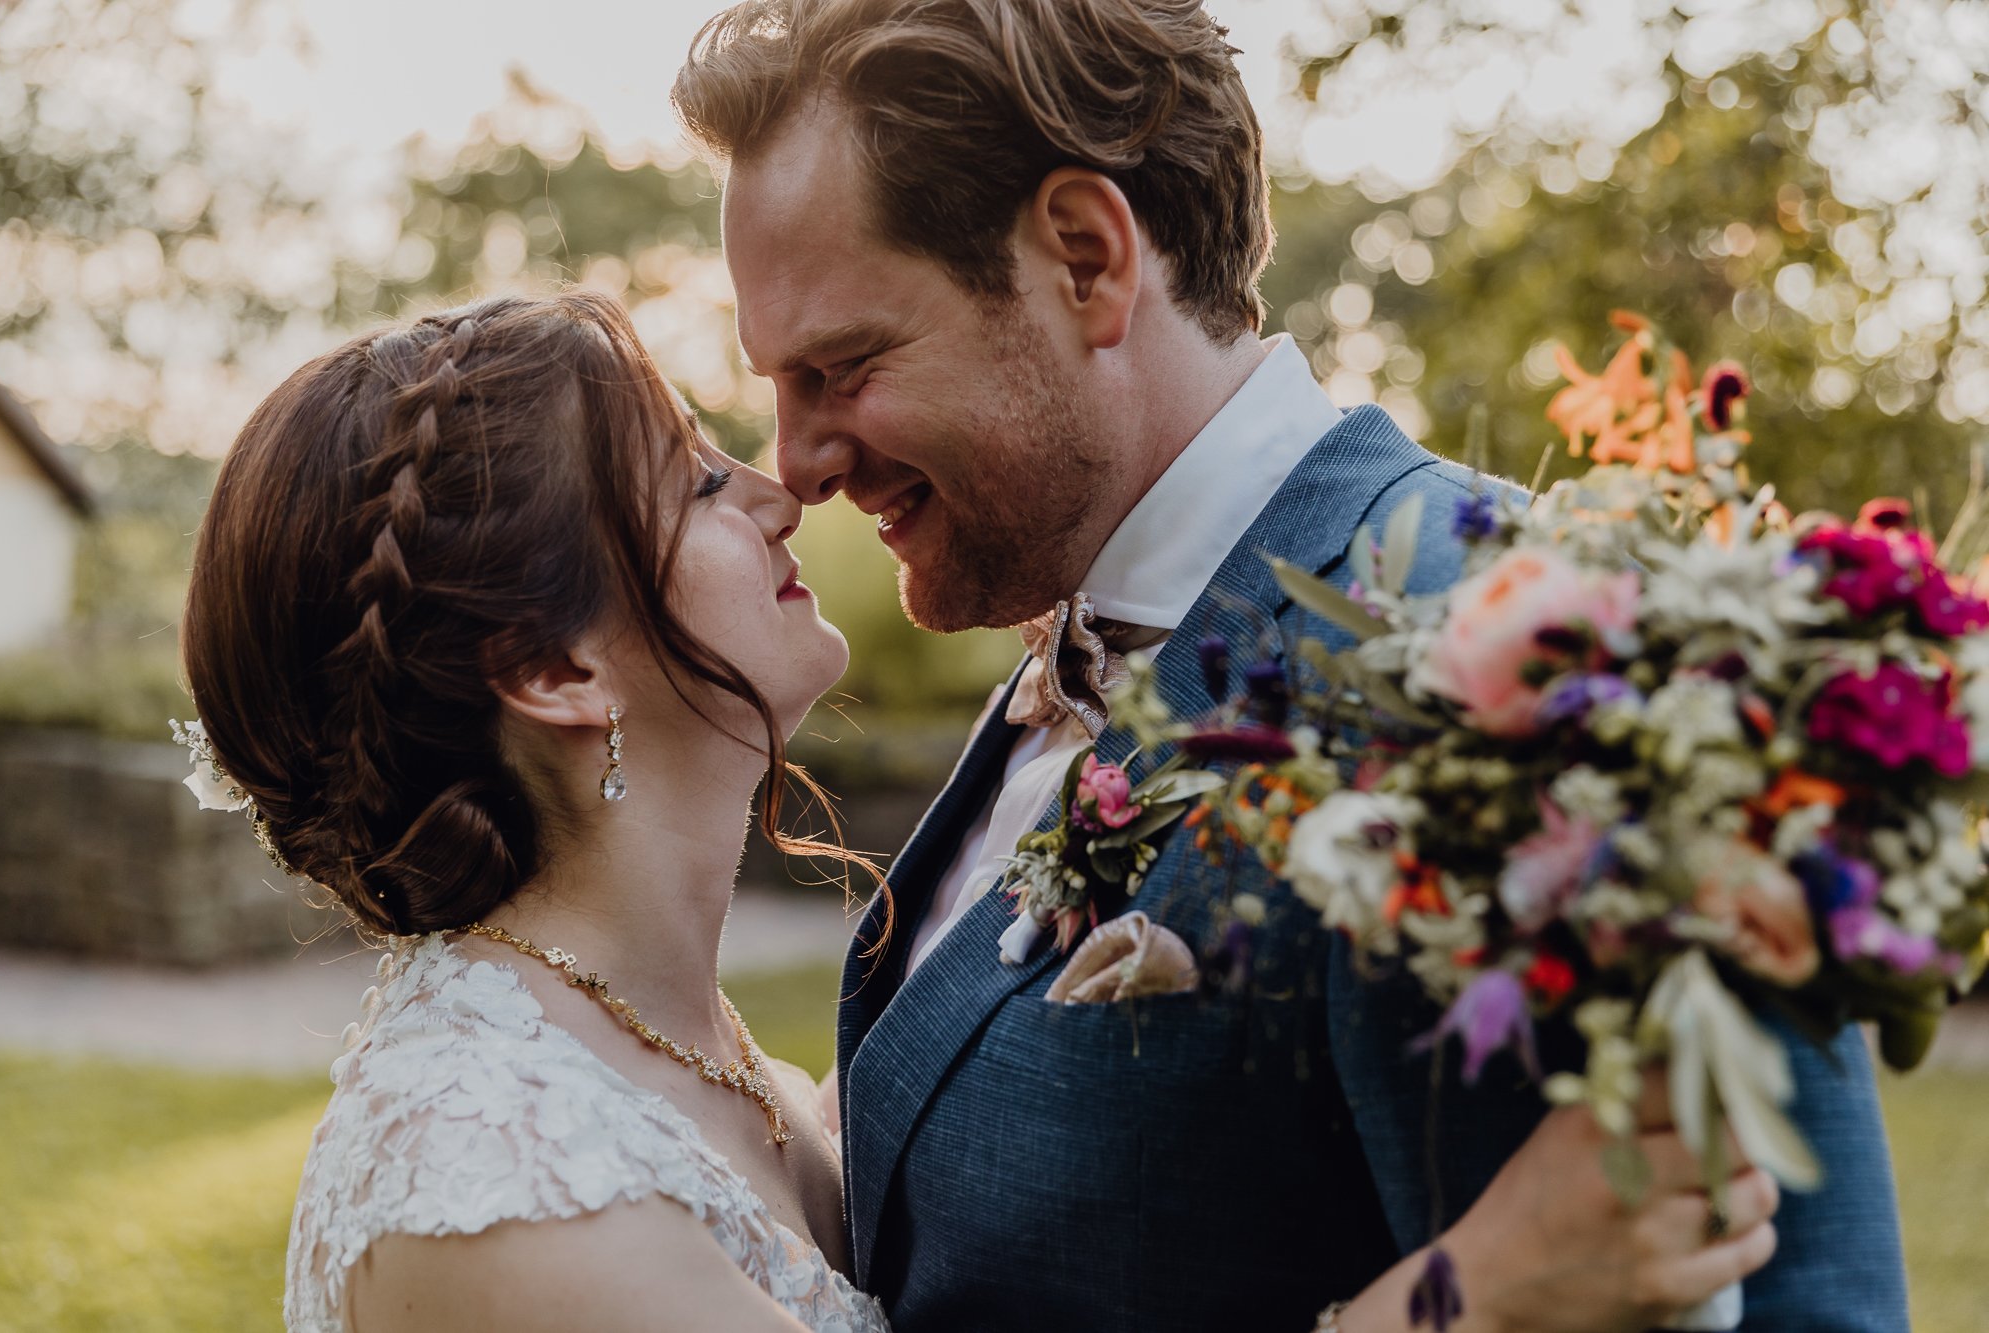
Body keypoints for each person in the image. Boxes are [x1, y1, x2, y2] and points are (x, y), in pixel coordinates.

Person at [672, 1, 1910, 1330]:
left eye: (843, 365)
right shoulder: (1074, 622)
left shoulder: (1521, 660)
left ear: (1086, 259)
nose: (795, 462)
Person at [180, 291, 886, 1332]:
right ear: (556, 667)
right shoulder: (508, 1183)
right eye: (695, 481)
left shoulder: (693, 1051)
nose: (776, 490)